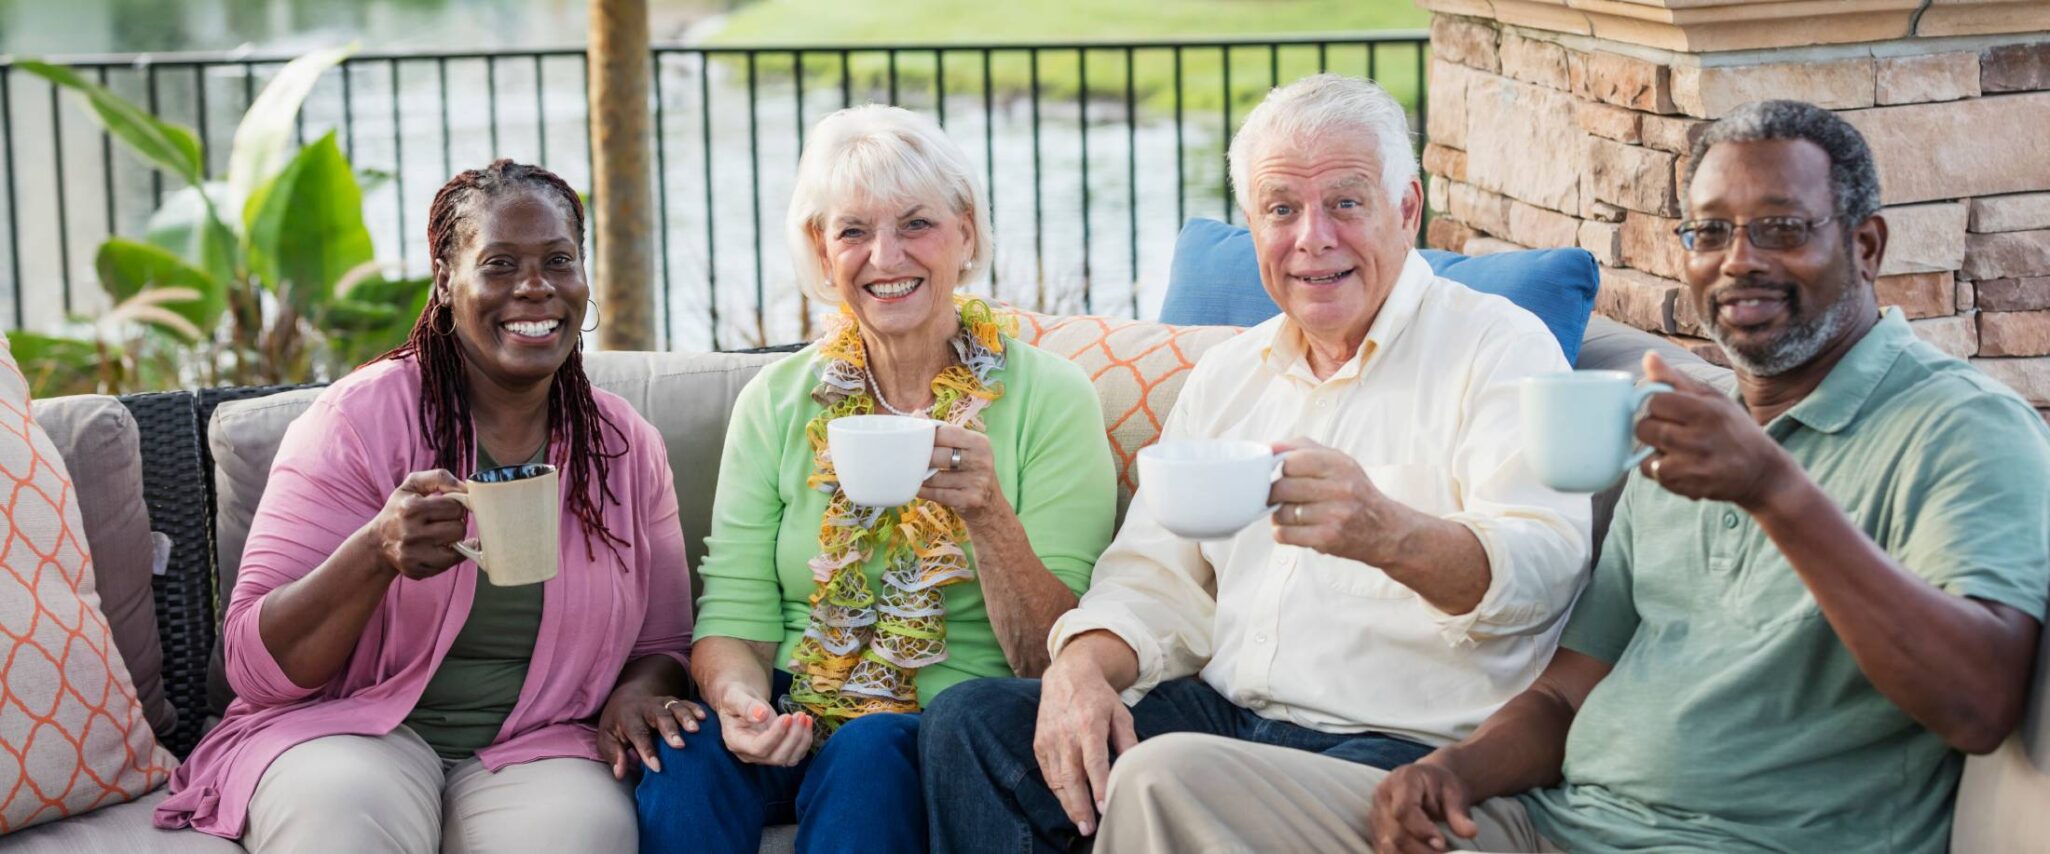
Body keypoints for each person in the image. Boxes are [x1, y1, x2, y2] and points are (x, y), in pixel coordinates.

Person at [1092, 100, 2050, 854]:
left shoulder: (1959, 428)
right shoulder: (1688, 435)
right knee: (1162, 779)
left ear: (1867, 245)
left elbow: (1978, 701)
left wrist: (1776, 493)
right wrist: (1455, 774)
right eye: (1709, 235)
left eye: (1781, 228)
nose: (1737, 263)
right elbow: (1565, 693)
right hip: (1549, 826)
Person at [920, 73, 1592, 853]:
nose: (1313, 238)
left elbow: (1544, 569)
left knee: (1163, 774)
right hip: (1228, 717)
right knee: (971, 726)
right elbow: (1153, 576)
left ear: (1407, 211)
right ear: (1253, 223)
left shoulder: (1498, 348)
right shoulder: (1230, 375)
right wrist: (1078, 667)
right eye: (1282, 209)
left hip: (1403, 745)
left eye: (1345, 202)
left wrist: (1390, 535)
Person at [153, 160, 699, 853]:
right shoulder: (356, 422)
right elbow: (252, 667)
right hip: (348, 729)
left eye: (558, 261)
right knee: (339, 818)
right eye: (499, 264)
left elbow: (661, 644)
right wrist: (375, 553)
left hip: (541, 744)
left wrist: (637, 692)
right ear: (446, 282)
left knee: (579, 834)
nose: (535, 287)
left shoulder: (622, 446)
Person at [632, 104, 1118, 854]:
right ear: (822, 255)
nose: (885, 257)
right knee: (686, 765)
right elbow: (734, 609)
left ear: (966, 233)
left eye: (916, 224)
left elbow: (1051, 654)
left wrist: (988, 515)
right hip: (799, 697)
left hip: (952, 717)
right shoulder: (777, 400)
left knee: (867, 756)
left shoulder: (1051, 398)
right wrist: (739, 704)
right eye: (853, 231)